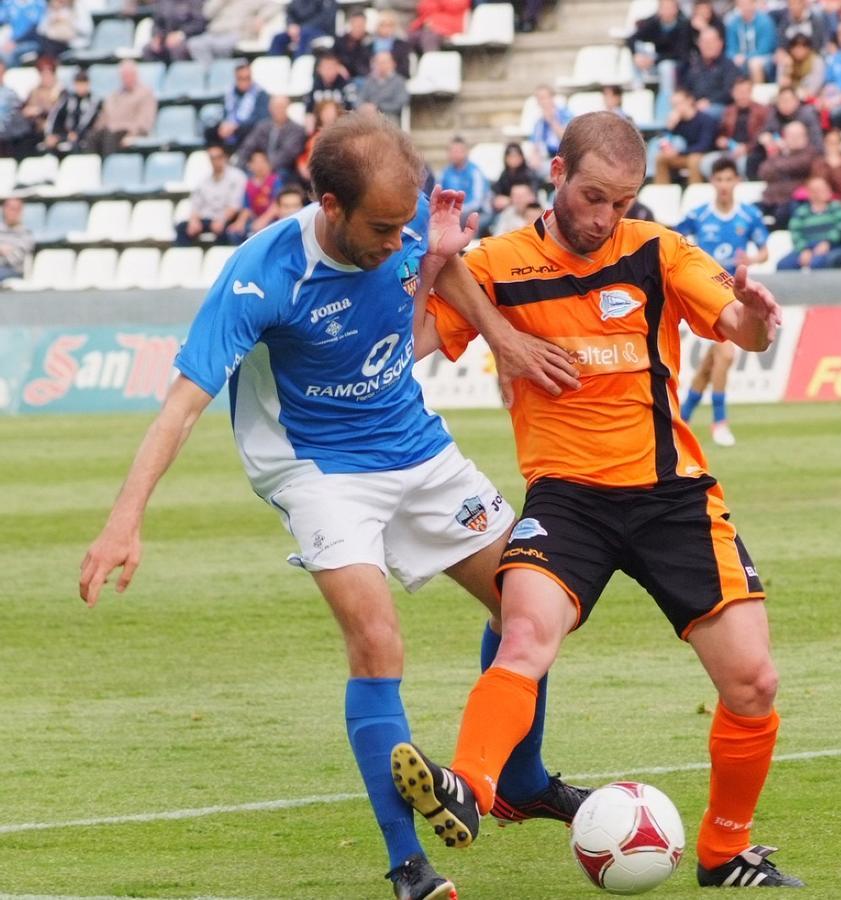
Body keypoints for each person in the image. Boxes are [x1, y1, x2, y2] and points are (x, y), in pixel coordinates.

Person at [79, 113, 591, 900]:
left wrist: (501, 337)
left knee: (531, 604)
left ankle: (520, 780)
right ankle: (409, 865)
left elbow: (438, 265)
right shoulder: (264, 275)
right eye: (382, 229)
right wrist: (125, 517)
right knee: (378, 645)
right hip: (318, 469)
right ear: (328, 205)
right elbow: (182, 404)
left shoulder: (404, 220)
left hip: (414, 443)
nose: (397, 241)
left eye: (404, 224)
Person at [391, 109, 803, 891]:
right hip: (568, 498)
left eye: (621, 200)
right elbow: (404, 346)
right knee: (524, 636)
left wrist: (755, 320)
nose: (604, 217)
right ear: (556, 173)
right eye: (591, 196)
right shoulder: (496, 265)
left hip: (671, 495)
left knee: (754, 682)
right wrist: (433, 264)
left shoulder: (658, 250)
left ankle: (723, 852)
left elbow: (741, 328)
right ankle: (469, 792)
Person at [676, 157, 770, 447]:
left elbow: (765, 251)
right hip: (705, 293)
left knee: (713, 361)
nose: (724, 185)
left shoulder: (749, 215)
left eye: (730, 179)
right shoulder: (700, 215)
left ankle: (683, 417)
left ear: (737, 182)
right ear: (712, 182)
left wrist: (752, 259)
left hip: (735, 296)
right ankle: (720, 422)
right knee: (726, 356)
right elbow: (673, 240)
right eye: (719, 180)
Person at [177, 142, 246, 246]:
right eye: (212, 158)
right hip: (206, 219)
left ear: (225, 157)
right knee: (182, 227)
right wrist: (194, 220)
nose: (215, 161)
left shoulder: (237, 177)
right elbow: (195, 204)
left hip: (227, 219)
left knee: (226, 231)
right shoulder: (203, 180)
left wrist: (222, 220)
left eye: (218, 157)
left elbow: (235, 205)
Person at [82, 59, 155, 156]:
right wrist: (97, 130)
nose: (126, 78)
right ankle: (92, 168)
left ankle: (109, 168)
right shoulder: (114, 95)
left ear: (136, 75)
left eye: (129, 74)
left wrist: (132, 135)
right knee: (92, 137)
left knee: (110, 137)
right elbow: (103, 119)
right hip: (109, 131)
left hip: (128, 131)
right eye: (124, 75)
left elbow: (144, 121)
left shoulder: (145, 94)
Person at [757, 119, 820, 227]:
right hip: (770, 198)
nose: (794, 139)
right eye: (791, 136)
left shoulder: (810, 153)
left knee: (782, 214)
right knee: (752, 210)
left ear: (805, 137)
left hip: (792, 200)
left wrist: (776, 161)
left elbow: (798, 165)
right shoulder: (780, 154)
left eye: (798, 136)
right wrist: (778, 158)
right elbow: (763, 172)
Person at [779, 173, 841, 268]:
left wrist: (827, 242)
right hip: (807, 246)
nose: (827, 191)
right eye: (821, 190)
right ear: (811, 193)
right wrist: (804, 249)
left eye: (827, 188)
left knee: (818, 263)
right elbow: (795, 233)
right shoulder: (801, 212)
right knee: (783, 265)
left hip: (832, 246)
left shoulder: (837, 207)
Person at [653, 87, 720, 184]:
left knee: (694, 160)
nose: (677, 107)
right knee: (661, 158)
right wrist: (669, 127)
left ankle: (695, 192)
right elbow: (661, 141)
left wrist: (679, 152)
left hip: (704, 154)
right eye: (674, 105)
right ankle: (662, 192)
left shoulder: (706, 120)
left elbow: (704, 145)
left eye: (680, 103)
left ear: (690, 100)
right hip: (684, 154)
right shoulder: (677, 122)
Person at [237, 94, 309, 180]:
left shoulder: (297, 130)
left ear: (287, 107)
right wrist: (243, 164)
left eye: (281, 107)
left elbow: (287, 153)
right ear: (270, 108)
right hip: (258, 167)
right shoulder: (262, 126)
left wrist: (266, 166)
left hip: (283, 170)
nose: (278, 110)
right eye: (275, 107)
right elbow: (248, 146)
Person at [207, 62, 268, 150]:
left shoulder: (260, 94)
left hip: (247, 129)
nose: (245, 82)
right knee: (210, 132)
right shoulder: (230, 93)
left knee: (250, 132)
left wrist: (236, 127)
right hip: (229, 128)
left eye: (247, 78)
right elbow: (225, 113)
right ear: (236, 78)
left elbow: (261, 119)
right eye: (241, 78)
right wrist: (224, 125)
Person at [226, 148, 280, 243]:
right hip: (254, 220)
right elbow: (247, 208)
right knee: (234, 232)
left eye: (263, 161)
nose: (260, 166)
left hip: (272, 220)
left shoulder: (275, 180)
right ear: (250, 165)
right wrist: (240, 222)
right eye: (256, 162)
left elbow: (277, 204)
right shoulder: (248, 184)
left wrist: (263, 220)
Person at [42, 66, 96, 152]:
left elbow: (87, 121)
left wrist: (76, 133)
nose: (81, 87)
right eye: (78, 84)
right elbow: (56, 116)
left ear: (88, 84)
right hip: (67, 134)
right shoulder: (67, 100)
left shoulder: (93, 101)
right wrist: (53, 134)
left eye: (83, 84)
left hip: (83, 136)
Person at [439, 135, 492, 220]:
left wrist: (456, 211)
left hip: (476, 213)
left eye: (457, 151)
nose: (454, 154)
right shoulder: (445, 172)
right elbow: (439, 195)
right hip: (451, 213)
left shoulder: (475, 172)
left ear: (466, 152)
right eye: (451, 151)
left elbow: (477, 202)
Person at [725, 0, 777, 82]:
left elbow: (765, 48)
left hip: (762, 57)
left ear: (753, 4)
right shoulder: (733, 23)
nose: (745, 8)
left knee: (754, 64)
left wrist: (746, 57)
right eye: (742, 5)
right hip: (739, 58)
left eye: (747, 4)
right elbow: (730, 47)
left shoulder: (765, 21)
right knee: (729, 64)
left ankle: (757, 93)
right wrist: (734, 56)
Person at [354, 50, 408, 123]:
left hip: (389, 115)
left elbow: (400, 103)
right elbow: (359, 97)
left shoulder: (399, 81)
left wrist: (377, 107)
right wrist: (363, 107)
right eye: (377, 62)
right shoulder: (369, 80)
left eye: (384, 62)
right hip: (367, 114)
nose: (381, 65)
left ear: (393, 64)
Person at [810, 126, 841, 202]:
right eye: (829, 142)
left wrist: (836, 168)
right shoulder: (818, 163)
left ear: (840, 144)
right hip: (823, 204)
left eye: (835, 143)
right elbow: (816, 186)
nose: (832, 146)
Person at [0, 195, 33, 282]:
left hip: (13, 271)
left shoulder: (26, 234)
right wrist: (3, 250)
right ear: (3, 209)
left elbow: (14, 260)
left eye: (16, 209)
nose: (12, 212)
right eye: (9, 208)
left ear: (21, 211)